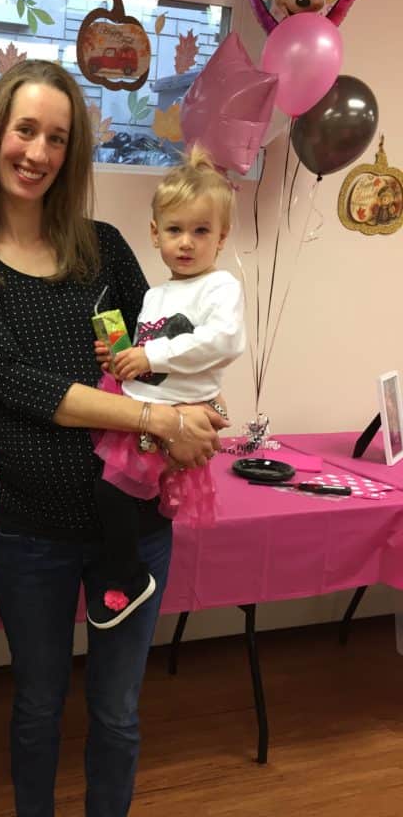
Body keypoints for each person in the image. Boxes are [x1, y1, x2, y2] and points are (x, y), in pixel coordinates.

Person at [0, 59, 226, 817]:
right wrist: (151, 415)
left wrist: (199, 399)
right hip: (31, 530)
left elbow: (162, 345)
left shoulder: (104, 248)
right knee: (34, 706)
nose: (38, 152)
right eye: (25, 130)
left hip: (129, 529)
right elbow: (18, 381)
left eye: (58, 137)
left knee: (117, 711)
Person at [88, 145, 245, 629]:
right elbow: (149, 355)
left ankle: (129, 576)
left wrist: (149, 355)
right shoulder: (157, 293)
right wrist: (120, 360)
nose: (187, 243)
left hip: (179, 415)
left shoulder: (220, 288)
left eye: (201, 231)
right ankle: (123, 569)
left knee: (123, 497)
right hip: (143, 407)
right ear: (155, 234)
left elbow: (224, 340)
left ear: (221, 237)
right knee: (114, 497)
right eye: (175, 230)